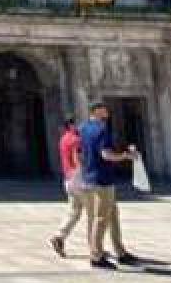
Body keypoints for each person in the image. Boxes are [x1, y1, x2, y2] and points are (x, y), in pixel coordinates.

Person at [79, 102, 141, 269]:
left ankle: (120, 252)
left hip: (89, 177)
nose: (107, 111)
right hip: (103, 179)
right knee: (101, 218)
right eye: (104, 109)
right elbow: (106, 155)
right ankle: (96, 256)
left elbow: (81, 152)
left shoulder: (83, 128)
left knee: (112, 216)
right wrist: (126, 156)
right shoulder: (102, 129)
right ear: (97, 111)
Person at [49, 118, 87, 257]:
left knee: (74, 212)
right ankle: (95, 245)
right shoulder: (76, 139)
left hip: (68, 178)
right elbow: (77, 157)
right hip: (79, 176)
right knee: (94, 212)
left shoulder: (63, 139)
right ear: (71, 125)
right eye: (78, 124)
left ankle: (59, 236)